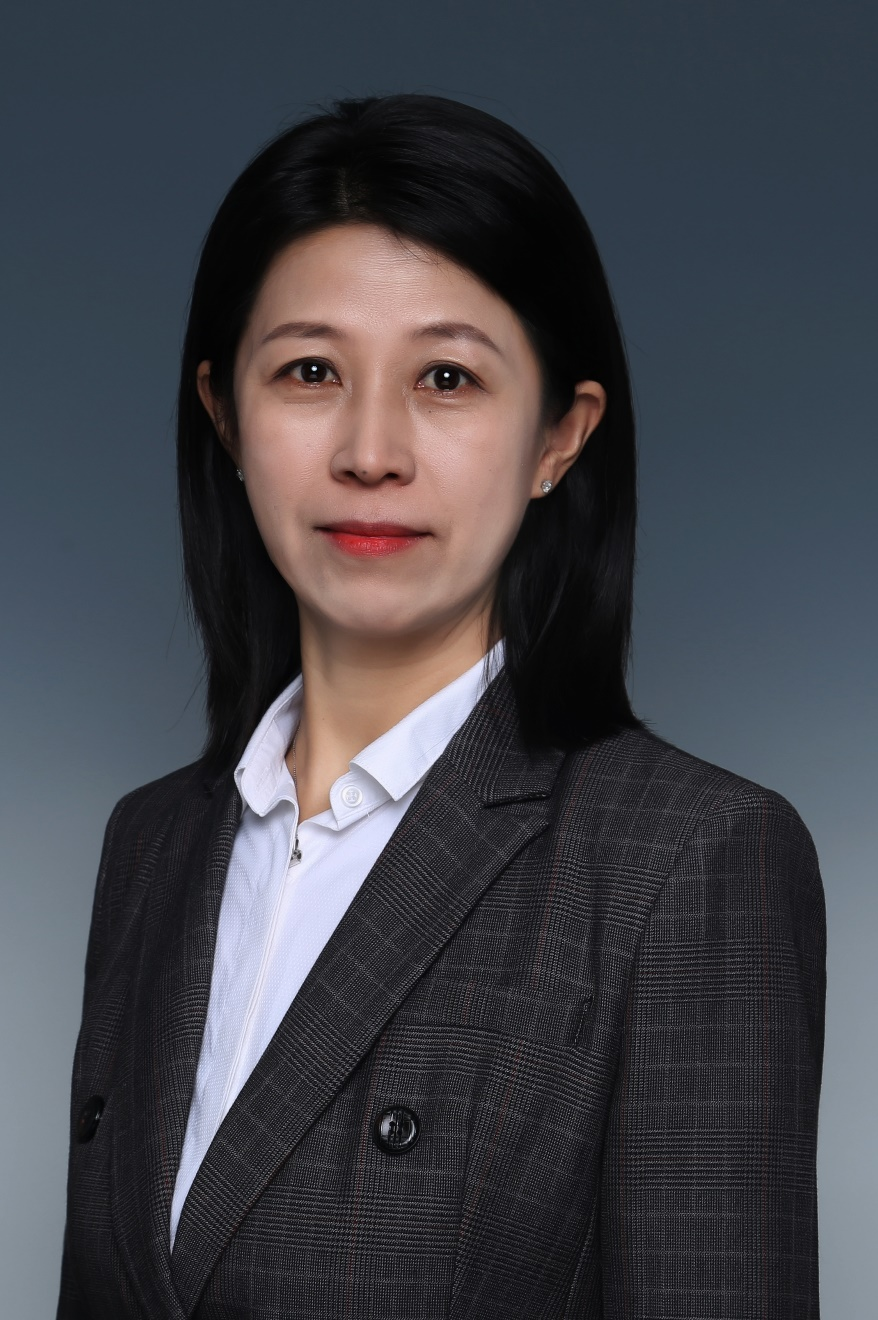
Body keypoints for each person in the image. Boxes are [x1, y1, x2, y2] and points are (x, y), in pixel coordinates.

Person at [57, 94, 826, 1320]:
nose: (371, 450)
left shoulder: (689, 860)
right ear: (225, 417)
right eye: (310, 371)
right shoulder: (150, 847)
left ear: (558, 439)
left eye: (447, 378)